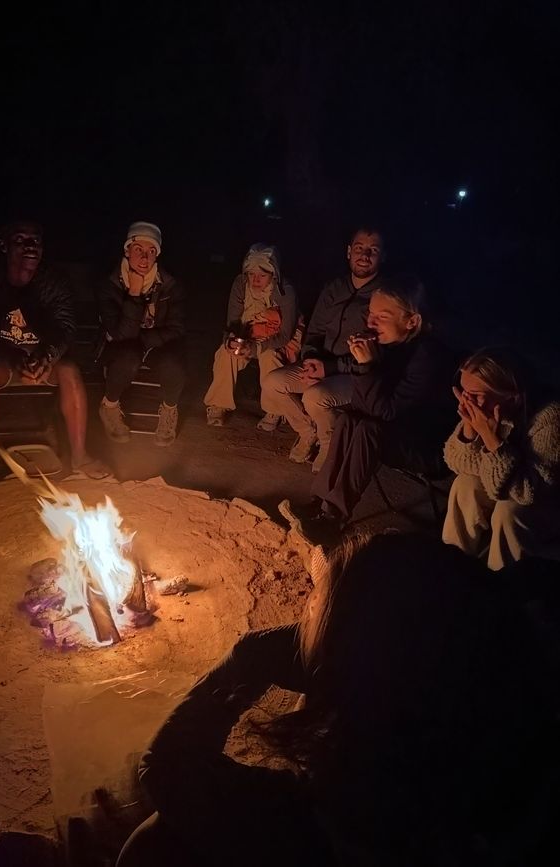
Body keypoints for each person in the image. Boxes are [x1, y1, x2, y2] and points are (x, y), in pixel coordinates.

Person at [116, 531, 556, 867]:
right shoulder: (495, 705)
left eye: (316, 609)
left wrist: (248, 656)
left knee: (152, 844)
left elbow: (166, 767)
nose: (305, 610)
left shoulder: (337, 813)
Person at [280, 276, 454, 546]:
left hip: (426, 445)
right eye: (370, 314)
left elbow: (384, 411)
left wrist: (367, 366)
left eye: (381, 317)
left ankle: (333, 518)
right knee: (349, 419)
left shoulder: (427, 358)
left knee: (368, 429)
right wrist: (333, 367)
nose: (370, 323)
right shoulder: (393, 344)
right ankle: (320, 502)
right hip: (395, 428)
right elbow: (358, 381)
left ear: (412, 322)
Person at [0, 219, 109, 486]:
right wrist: (11, 358)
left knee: (70, 372)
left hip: (44, 358)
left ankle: (81, 457)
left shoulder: (52, 282)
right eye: (20, 240)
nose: (30, 247)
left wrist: (48, 356)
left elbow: (65, 326)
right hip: (3, 360)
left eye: (36, 241)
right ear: (3, 245)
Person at [261, 225, 384, 473]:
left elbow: (377, 353)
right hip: (321, 364)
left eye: (373, 250)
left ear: (382, 256)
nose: (365, 255)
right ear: (349, 252)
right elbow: (315, 330)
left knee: (315, 396)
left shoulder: (385, 296)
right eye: (359, 248)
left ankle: (331, 444)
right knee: (272, 381)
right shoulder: (334, 288)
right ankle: (308, 432)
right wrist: (310, 359)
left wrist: (327, 369)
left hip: (356, 375)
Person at [442, 347, 560, 570]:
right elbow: (455, 462)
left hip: (547, 503)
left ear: (512, 398)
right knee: (465, 485)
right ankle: (451, 565)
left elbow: (526, 492)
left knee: (508, 512)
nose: (466, 401)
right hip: (509, 485)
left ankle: (503, 582)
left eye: (475, 396)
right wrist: (469, 429)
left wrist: (490, 439)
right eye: (464, 392)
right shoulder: (485, 410)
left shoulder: (550, 420)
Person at [97, 222, 185, 448]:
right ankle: (109, 407)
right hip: (123, 345)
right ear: (127, 250)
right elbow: (121, 334)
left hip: (154, 343)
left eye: (151, 252)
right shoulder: (110, 285)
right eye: (139, 250)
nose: (145, 258)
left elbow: (176, 328)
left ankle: (169, 411)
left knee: (174, 364)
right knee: (127, 358)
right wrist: (134, 293)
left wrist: (145, 341)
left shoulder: (169, 285)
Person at [203, 243, 301, 429]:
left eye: (262, 275)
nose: (256, 280)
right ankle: (218, 404)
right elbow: (232, 322)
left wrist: (257, 347)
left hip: (274, 339)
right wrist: (232, 340)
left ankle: (275, 409)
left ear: (273, 275)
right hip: (247, 335)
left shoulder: (285, 291)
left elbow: (285, 334)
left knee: (269, 357)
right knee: (225, 354)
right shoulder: (240, 285)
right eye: (251, 274)